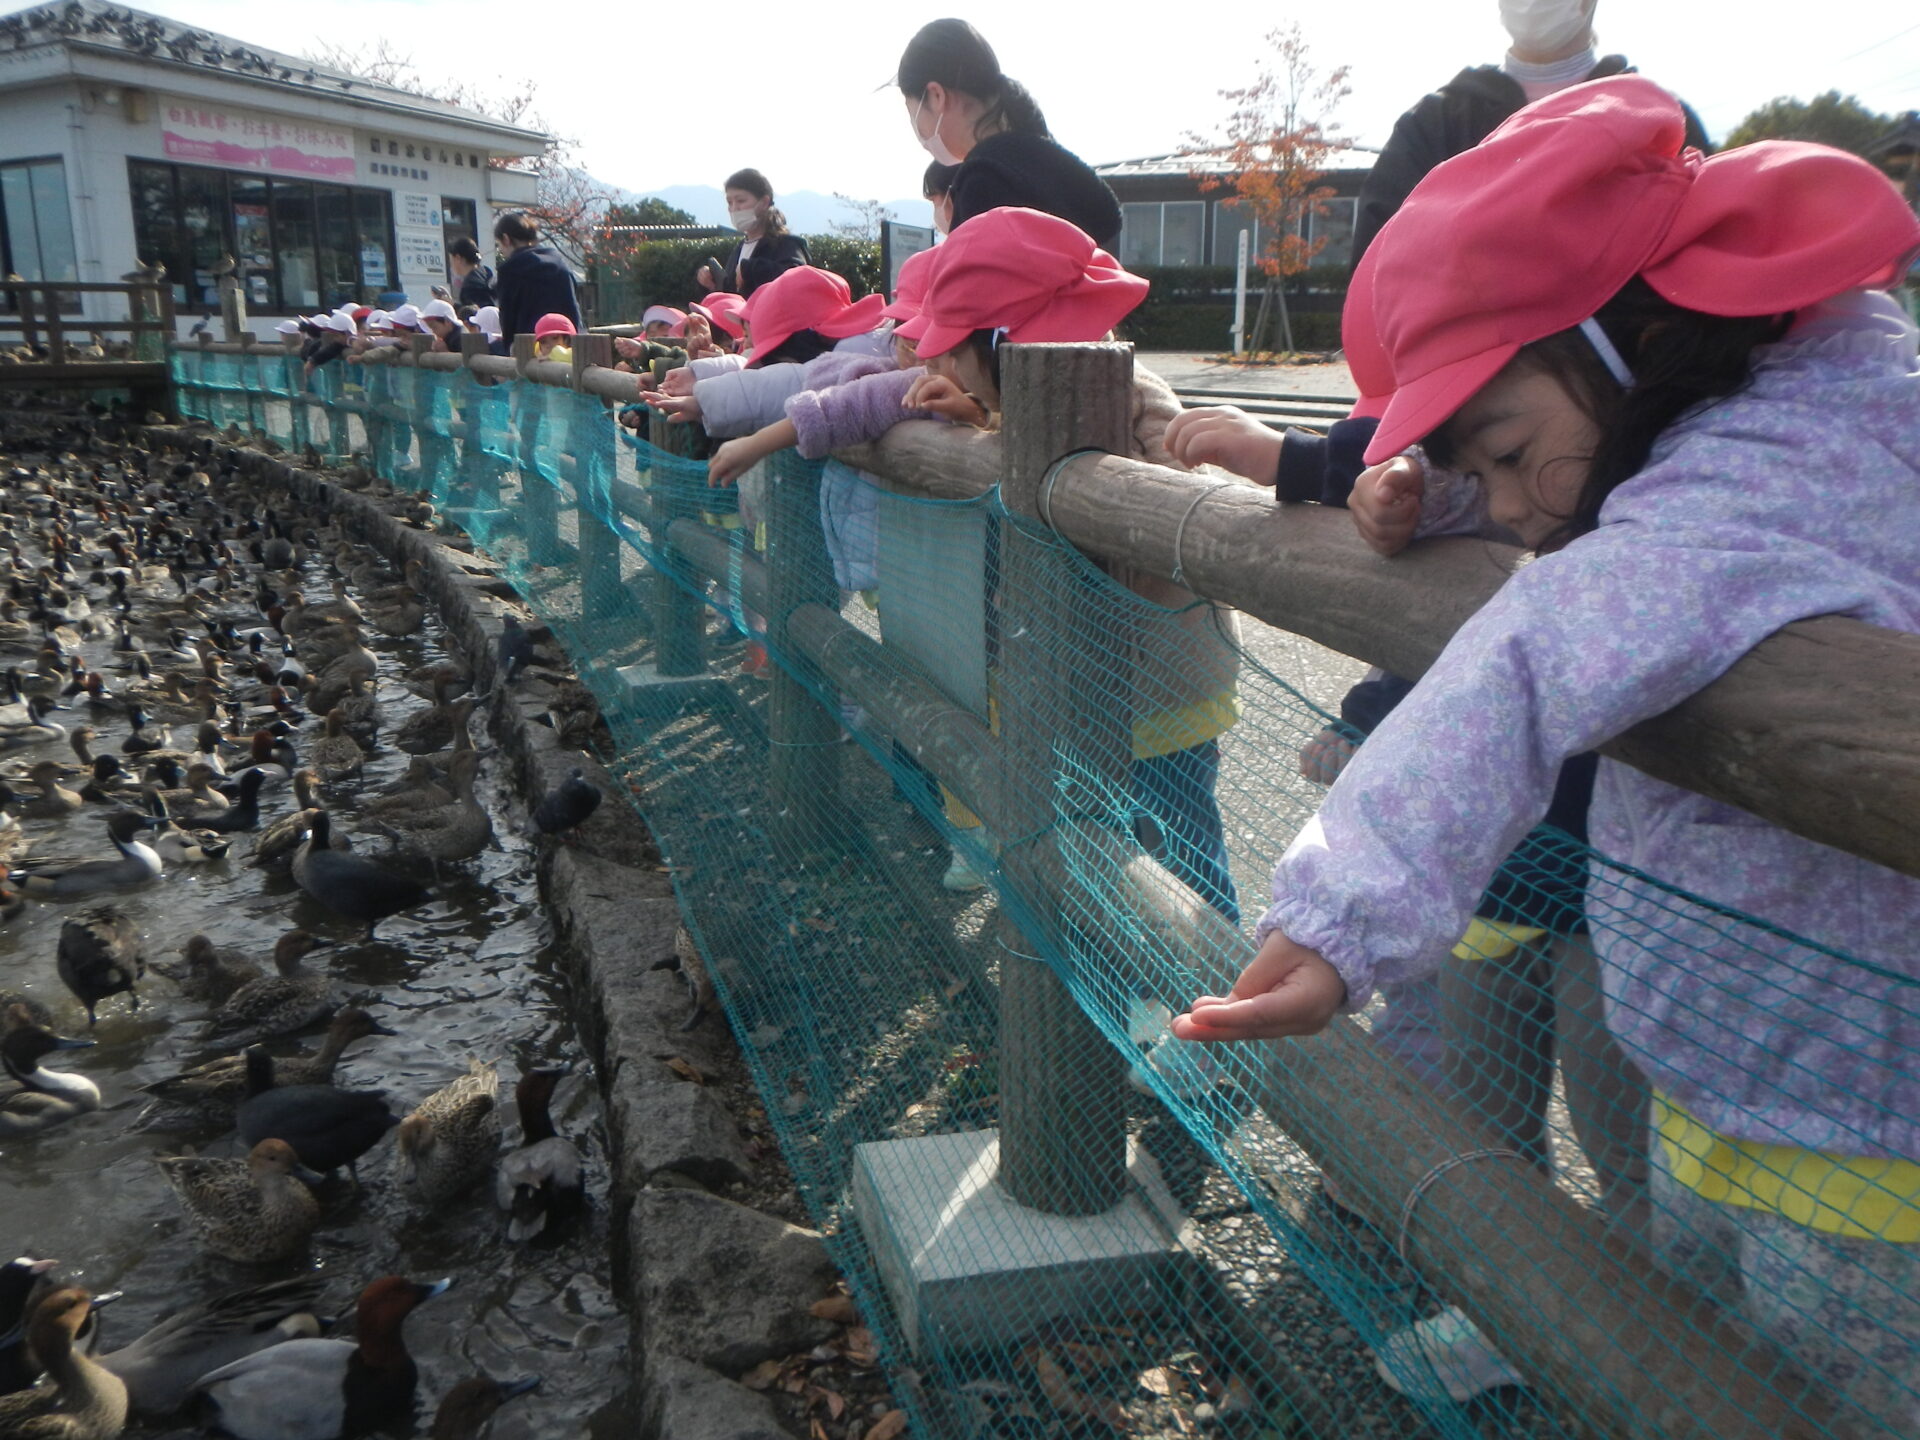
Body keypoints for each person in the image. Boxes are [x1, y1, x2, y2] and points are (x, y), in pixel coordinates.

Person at [1172, 77, 1920, 1431]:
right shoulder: (1775, 405)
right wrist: (1445, 476)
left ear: (1624, 337)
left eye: (1506, 458)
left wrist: (1339, 920)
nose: (1514, 516)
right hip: (1770, 1056)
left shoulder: (1740, 502)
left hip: (1848, 1112)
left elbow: (1529, 650)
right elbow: (1592, 443)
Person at [1353, 0, 1707, 262]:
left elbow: (1707, 263)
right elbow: (1377, 269)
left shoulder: (1663, 122)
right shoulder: (1435, 123)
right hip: (1466, 358)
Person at [897, 19, 1120, 249]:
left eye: (911, 110)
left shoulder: (984, 183)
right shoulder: (1058, 171)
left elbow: (972, 283)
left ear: (936, 96)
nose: (915, 125)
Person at [697, 170, 809, 298]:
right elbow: (733, 297)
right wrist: (710, 284)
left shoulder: (786, 244)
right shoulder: (740, 248)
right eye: (729, 202)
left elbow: (797, 278)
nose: (734, 208)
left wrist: (751, 269)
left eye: (741, 201)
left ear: (764, 202)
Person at [493, 211, 581, 348]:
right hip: (568, 344)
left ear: (506, 239)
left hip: (533, 348)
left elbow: (508, 319)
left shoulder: (510, 270)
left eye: (499, 245)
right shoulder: (558, 262)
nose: (501, 251)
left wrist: (508, 347)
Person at [448, 236, 495, 308]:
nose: (451, 265)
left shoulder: (470, 286)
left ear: (458, 258)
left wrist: (452, 305)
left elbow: (474, 313)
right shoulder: (485, 271)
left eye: (451, 259)